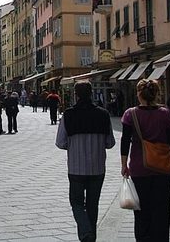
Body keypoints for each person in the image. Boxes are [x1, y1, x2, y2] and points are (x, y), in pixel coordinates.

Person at [56, 81, 115, 242]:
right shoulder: (103, 114)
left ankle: (85, 232)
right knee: (92, 204)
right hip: (97, 168)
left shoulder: (68, 115)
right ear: (91, 94)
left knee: (76, 202)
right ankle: (90, 236)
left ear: (75, 95)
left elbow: (60, 143)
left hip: (76, 168)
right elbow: (110, 143)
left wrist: (73, 145)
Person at [121, 79, 170, 241]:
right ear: (156, 93)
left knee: (141, 211)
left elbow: (125, 141)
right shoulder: (165, 113)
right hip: (163, 167)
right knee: (161, 210)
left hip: (140, 169)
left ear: (139, 94)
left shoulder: (130, 114)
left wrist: (124, 165)